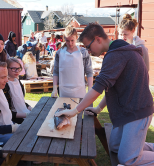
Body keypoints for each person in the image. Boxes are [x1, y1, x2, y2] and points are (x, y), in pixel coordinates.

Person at [56, 22, 154, 166]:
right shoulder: (117, 49)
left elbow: (97, 88)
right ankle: (138, 149)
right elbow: (111, 87)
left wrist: (74, 111)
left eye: (88, 46)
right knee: (115, 147)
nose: (88, 51)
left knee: (127, 159)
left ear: (98, 39)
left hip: (137, 111)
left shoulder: (116, 55)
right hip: (125, 111)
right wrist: (98, 108)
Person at [52, 25, 93, 98]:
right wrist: (55, 89)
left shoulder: (83, 53)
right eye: (67, 41)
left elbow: (89, 72)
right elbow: (55, 71)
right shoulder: (59, 53)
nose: (70, 43)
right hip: (64, 91)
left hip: (80, 91)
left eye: (72, 40)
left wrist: (90, 89)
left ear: (77, 38)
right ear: (64, 38)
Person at [3, 58, 32, 124]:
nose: (17, 71)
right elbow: (6, 111)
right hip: (13, 118)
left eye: (18, 68)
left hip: (23, 113)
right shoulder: (4, 86)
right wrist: (26, 115)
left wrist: (30, 108)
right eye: (13, 68)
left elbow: (21, 101)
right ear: (7, 69)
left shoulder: (18, 82)